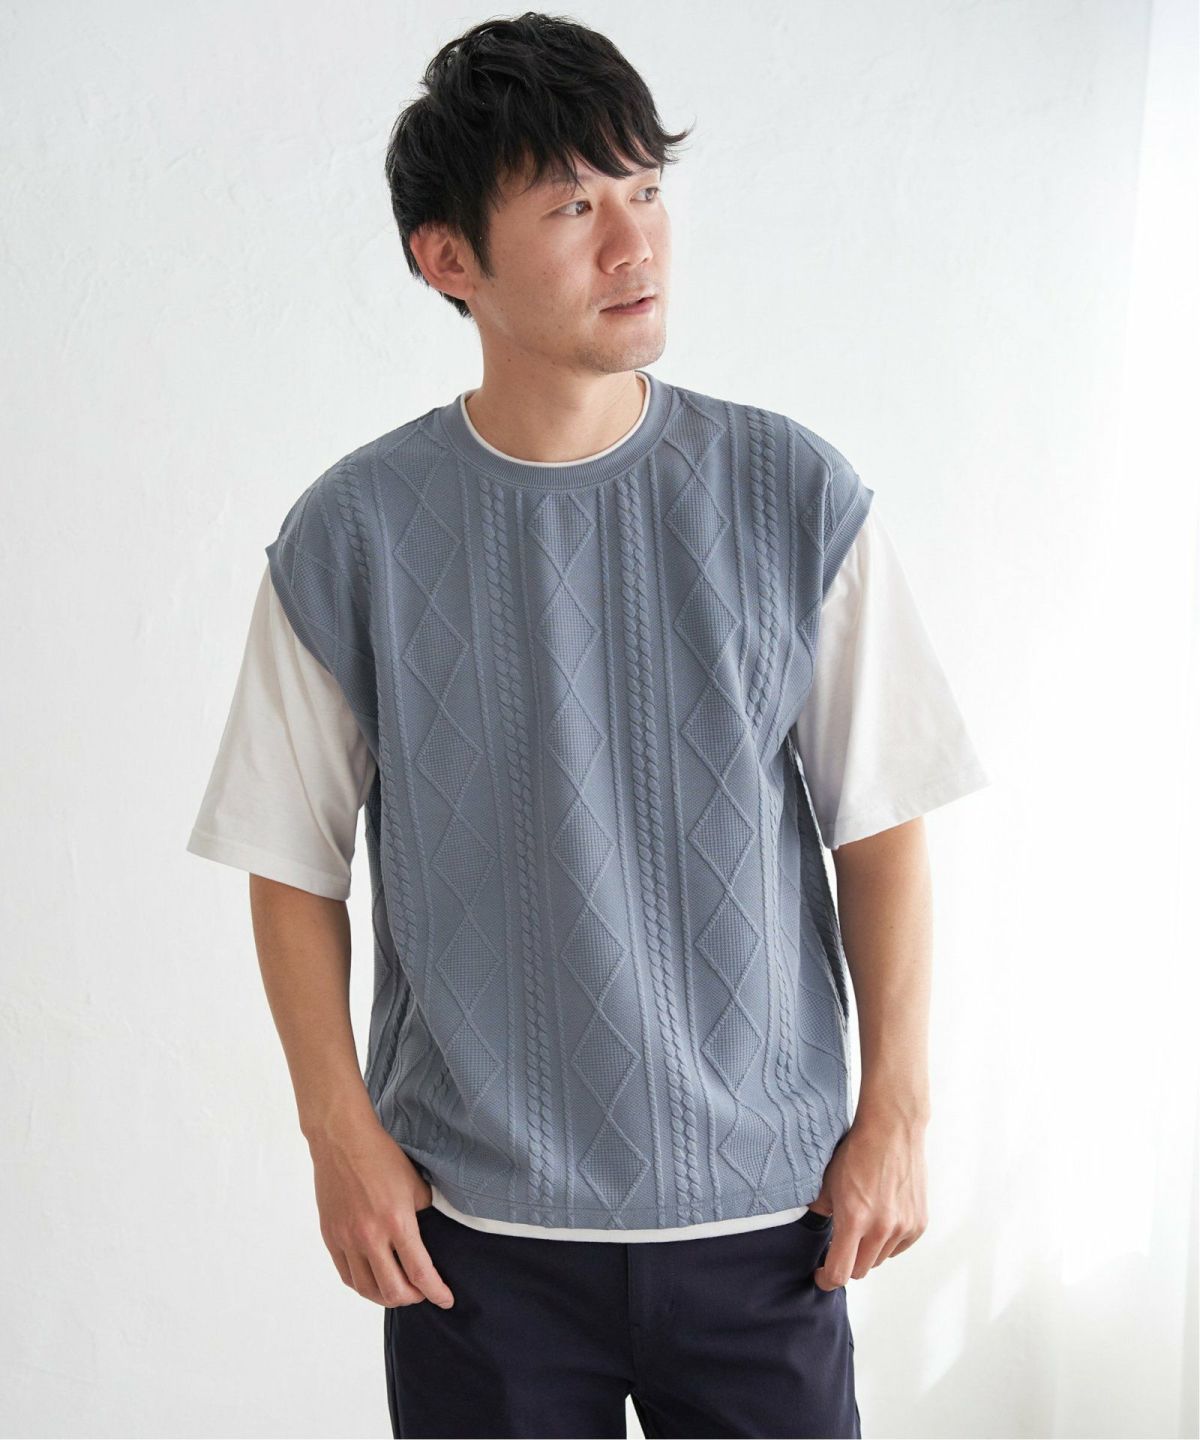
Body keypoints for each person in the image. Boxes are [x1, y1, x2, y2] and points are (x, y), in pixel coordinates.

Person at [186, 12, 990, 1438]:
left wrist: (898, 1116)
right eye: (572, 207)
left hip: (770, 1222)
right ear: (448, 258)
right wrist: (339, 1139)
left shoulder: (795, 497)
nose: (635, 244)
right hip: (474, 1240)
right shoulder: (354, 534)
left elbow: (882, 828)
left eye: (646, 191)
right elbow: (289, 862)